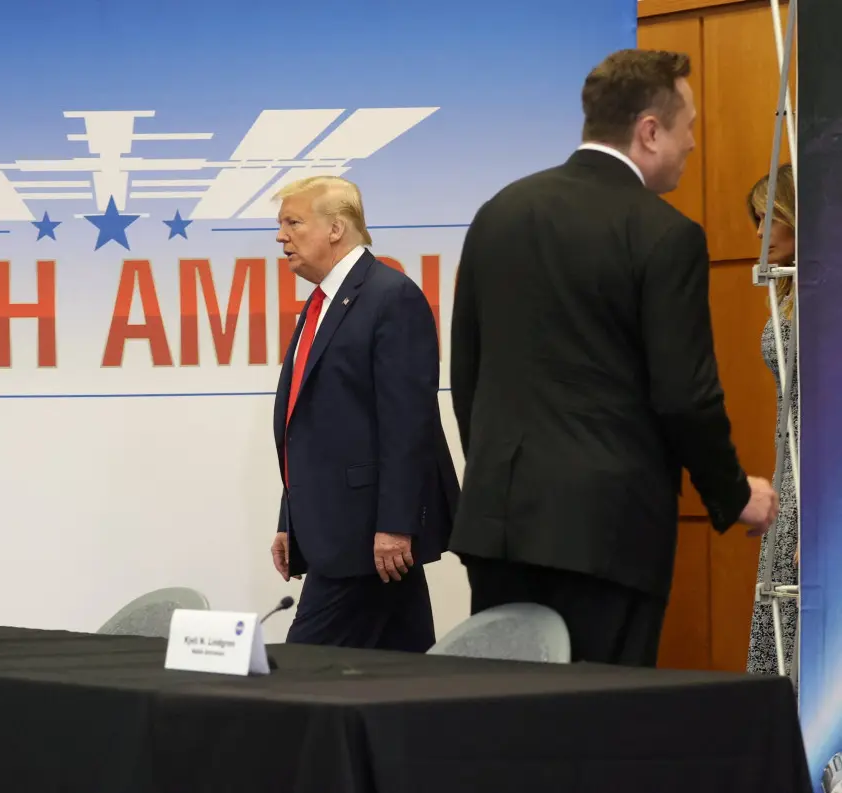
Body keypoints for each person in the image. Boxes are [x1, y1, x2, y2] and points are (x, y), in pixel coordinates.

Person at [448, 49, 778, 667]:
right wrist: (733, 495)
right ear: (649, 131)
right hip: (605, 536)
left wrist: (504, 476)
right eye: (688, 128)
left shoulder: (498, 213)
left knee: (500, 730)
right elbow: (684, 395)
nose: (693, 145)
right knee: (596, 735)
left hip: (498, 523)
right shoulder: (664, 234)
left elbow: (465, 374)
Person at [270, 175, 459, 653]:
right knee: (403, 669)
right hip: (341, 529)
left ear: (336, 228)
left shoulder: (390, 297)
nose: (280, 237)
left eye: (293, 222)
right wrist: (290, 519)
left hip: (365, 537)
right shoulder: (322, 304)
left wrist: (396, 525)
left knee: (301, 673)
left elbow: (408, 423)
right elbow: (309, 427)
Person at [745, 163, 799, 679]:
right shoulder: (788, 293)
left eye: (769, 218)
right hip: (791, 471)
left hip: (822, 482)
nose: (760, 234)